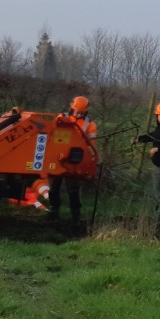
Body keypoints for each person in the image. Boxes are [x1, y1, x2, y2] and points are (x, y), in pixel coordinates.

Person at [49, 95, 96, 223]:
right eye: (77, 111)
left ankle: (75, 216)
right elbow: (51, 135)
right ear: (72, 108)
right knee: (54, 186)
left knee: (73, 189)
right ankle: (54, 211)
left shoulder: (89, 125)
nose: (79, 114)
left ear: (86, 111)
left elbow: (91, 144)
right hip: (57, 157)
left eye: (82, 112)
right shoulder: (61, 118)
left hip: (75, 160)